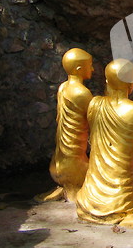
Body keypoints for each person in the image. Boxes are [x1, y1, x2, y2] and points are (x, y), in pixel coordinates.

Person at [75, 59, 133, 229]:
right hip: (121, 197)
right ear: (131, 84)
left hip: (87, 200)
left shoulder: (94, 104)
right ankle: (131, 218)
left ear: (106, 81)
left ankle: (105, 213)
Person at [37, 48, 93, 202]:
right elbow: (96, 122)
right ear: (80, 69)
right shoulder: (82, 93)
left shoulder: (63, 88)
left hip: (56, 164)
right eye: (90, 65)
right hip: (76, 168)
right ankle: (75, 190)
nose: (93, 69)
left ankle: (65, 187)